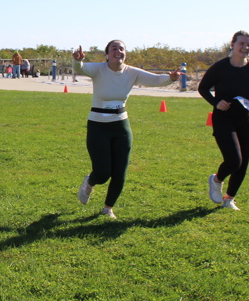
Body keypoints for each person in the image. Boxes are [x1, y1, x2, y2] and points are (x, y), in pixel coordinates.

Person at [73, 41, 181, 219]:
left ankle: (108, 208)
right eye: (114, 48)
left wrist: (171, 78)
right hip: (98, 125)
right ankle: (90, 182)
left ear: (125, 53)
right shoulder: (98, 69)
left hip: (120, 125)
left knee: (120, 172)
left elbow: (154, 80)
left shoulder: (131, 72)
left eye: (121, 48)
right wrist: (77, 60)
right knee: (102, 172)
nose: (118, 51)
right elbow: (81, 68)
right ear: (107, 54)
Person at [197, 30, 249, 211]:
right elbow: (203, 88)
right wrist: (216, 102)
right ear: (233, 45)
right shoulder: (221, 67)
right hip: (223, 118)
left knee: (244, 162)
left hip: (245, 118)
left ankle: (229, 199)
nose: (245, 48)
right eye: (241, 44)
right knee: (234, 160)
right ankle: (217, 180)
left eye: (248, 45)